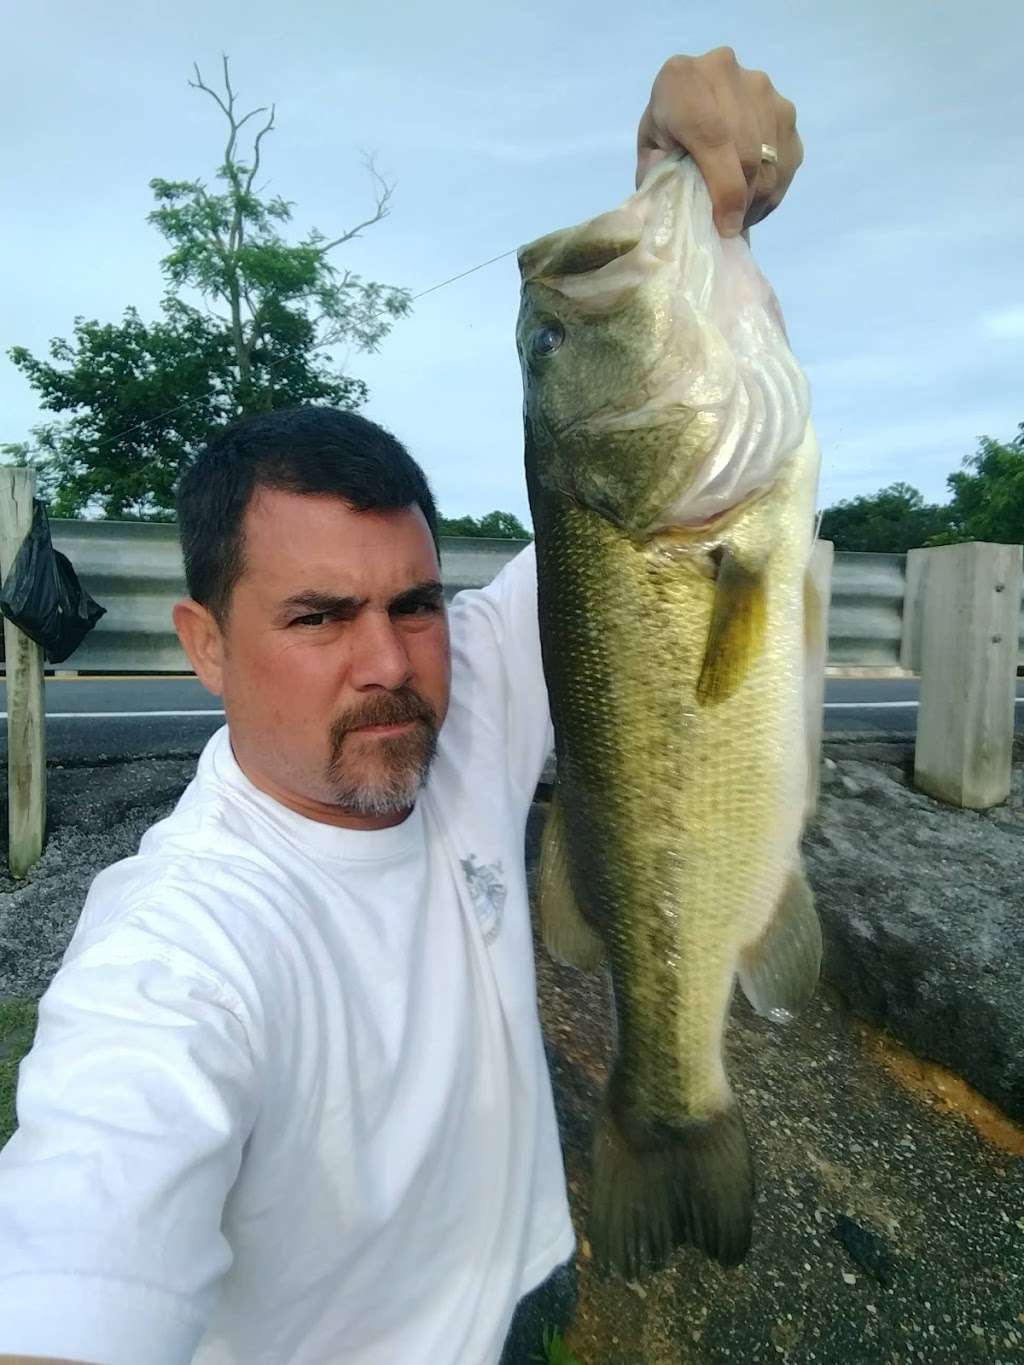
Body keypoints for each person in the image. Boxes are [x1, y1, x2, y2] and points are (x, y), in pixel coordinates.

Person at [0, 48, 803, 1365]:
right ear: (203, 643)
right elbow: (77, 1244)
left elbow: (648, 512)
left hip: (516, 1291)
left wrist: (684, 184)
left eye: (415, 600)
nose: (387, 659)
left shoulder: (462, 687)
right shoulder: (177, 954)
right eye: (316, 615)